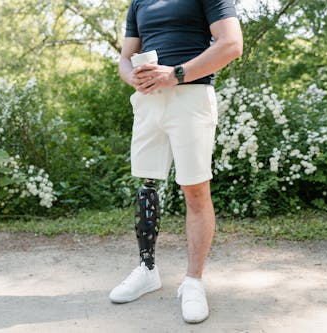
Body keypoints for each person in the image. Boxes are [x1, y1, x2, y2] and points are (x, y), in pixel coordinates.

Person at [109, 0, 243, 324]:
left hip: (191, 96)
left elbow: (231, 44)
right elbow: (125, 58)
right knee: (146, 187)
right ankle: (147, 270)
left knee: (195, 189)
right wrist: (133, 79)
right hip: (148, 100)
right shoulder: (139, 2)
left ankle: (193, 282)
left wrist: (175, 74)